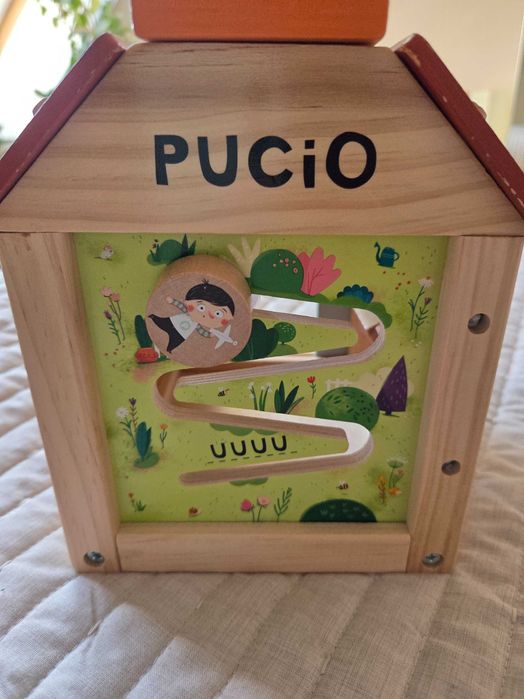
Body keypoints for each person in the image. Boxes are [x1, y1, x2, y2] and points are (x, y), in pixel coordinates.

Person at [149, 280, 238, 352]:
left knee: (175, 341)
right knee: (162, 322)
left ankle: (169, 349)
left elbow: (201, 331)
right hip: (173, 322)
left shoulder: (197, 325)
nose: (208, 315)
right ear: (187, 302)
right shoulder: (187, 312)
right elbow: (181, 306)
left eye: (218, 314)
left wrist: (209, 335)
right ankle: (153, 317)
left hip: (181, 334)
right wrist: (172, 301)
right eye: (201, 307)